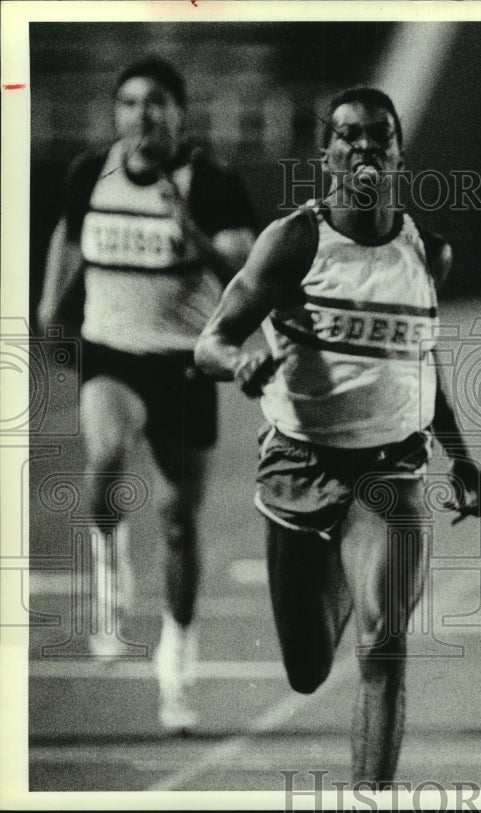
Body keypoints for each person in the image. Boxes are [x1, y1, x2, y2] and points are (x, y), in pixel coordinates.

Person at [194, 87, 481, 785]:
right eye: (348, 137)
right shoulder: (295, 240)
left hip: (390, 468)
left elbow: (419, 359)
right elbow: (210, 341)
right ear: (326, 155)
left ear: (398, 153)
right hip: (299, 462)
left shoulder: (428, 252)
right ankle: (338, 572)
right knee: (306, 669)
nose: (363, 148)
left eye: (377, 138)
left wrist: (460, 454)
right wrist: (240, 359)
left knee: (384, 640)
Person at [36, 56, 258, 732]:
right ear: (116, 114)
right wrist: (51, 302)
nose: (141, 116)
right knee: (103, 457)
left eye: (155, 103)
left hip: (183, 364)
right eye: (129, 103)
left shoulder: (212, 184)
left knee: (177, 523)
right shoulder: (89, 174)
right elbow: (68, 234)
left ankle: (177, 663)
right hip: (112, 352)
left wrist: (186, 224)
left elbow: (244, 271)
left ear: (179, 115)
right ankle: (110, 574)